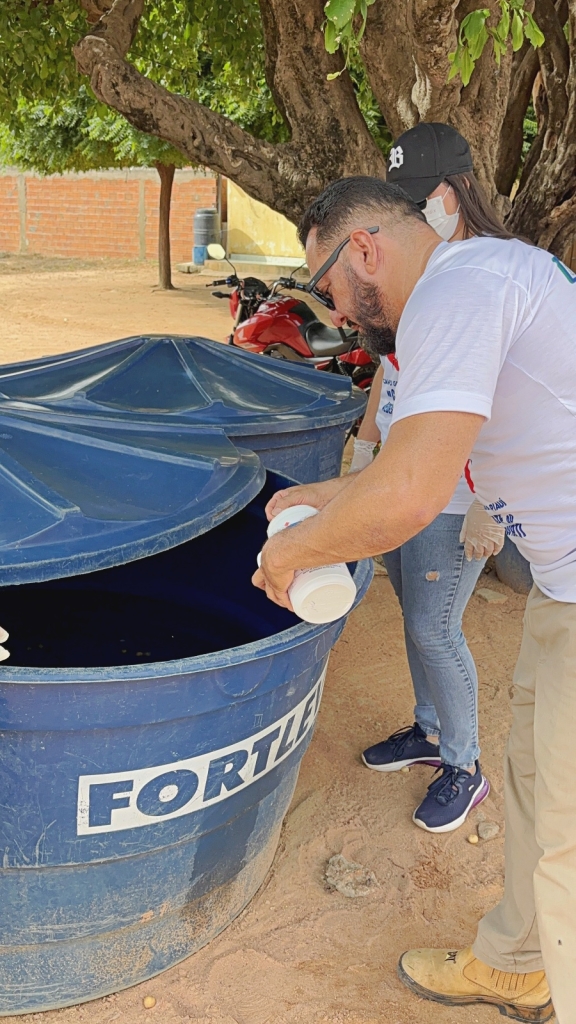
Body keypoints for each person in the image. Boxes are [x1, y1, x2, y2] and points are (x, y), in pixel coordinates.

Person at [252, 175, 576, 1023]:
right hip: (561, 585)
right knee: (537, 785)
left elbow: (408, 498)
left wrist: (293, 555)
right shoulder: (481, 275)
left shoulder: (454, 294)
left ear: (363, 248)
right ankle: (517, 964)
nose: (336, 312)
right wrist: (326, 499)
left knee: (568, 833)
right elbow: (408, 462)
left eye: (327, 285)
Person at [349, 123, 508, 834]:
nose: (410, 218)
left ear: (454, 192)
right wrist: (365, 449)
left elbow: (509, 399)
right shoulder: (422, 277)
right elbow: (391, 370)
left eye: (418, 202)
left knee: (435, 627)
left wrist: (490, 504)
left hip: (456, 494)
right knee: (415, 615)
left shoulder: (491, 278)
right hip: (402, 482)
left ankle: (465, 766)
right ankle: (428, 730)